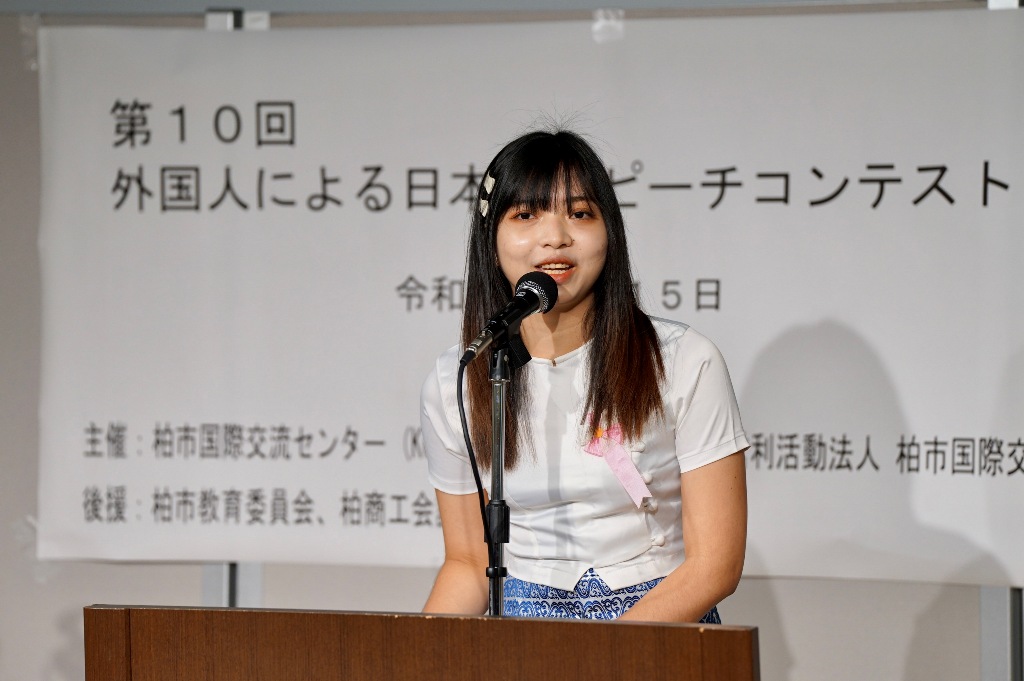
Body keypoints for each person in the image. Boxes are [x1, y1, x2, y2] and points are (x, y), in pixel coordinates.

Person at [420, 129, 748, 623]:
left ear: (609, 233)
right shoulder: (458, 379)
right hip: (522, 632)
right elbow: (467, 565)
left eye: (579, 213)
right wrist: (413, 655)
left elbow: (714, 567)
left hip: (659, 624)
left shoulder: (683, 360)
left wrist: (601, 655)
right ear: (491, 239)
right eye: (526, 215)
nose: (555, 236)